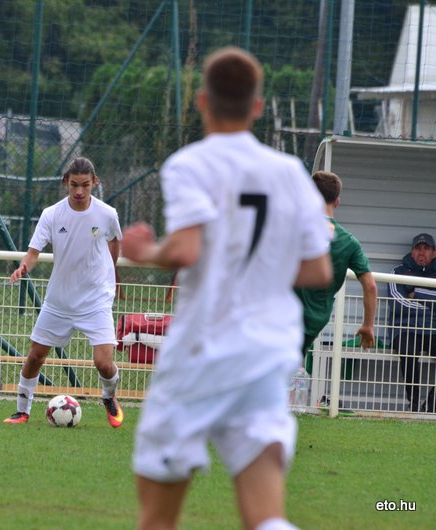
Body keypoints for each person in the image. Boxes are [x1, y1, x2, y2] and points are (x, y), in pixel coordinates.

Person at [121, 47, 332, 530]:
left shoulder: (190, 165)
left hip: (202, 349)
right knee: (265, 517)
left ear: (202, 101)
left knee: (157, 519)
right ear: (257, 106)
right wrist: (257, 265)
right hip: (264, 353)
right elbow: (318, 270)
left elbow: (186, 251)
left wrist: (146, 250)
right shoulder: (290, 174)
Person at [5, 156, 125, 428]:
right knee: (36, 355)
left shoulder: (107, 214)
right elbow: (34, 252)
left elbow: (115, 240)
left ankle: (109, 397)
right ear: (65, 184)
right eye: (74, 185)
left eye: (85, 185)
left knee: (104, 364)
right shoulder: (52, 214)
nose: (80, 191)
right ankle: (22, 410)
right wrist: (24, 267)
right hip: (59, 300)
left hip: (95, 300)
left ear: (95, 182)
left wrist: (110, 272)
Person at [295, 171, 377, 377]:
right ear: (337, 202)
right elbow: (370, 286)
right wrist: (368, 325)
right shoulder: (349, 242)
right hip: (314, 319)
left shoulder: (294, 226)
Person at [388, 232, 436, 412]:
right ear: (412, 251)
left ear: (434, 253)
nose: (422, 252)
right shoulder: (398, 272)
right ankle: (414, 404)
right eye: (418, 248)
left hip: (433, 329)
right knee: (407, 351)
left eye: (426, 248)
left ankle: (431, 404)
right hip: (406, 329)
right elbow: (398, 305)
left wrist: (417, 295)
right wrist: (432, 304)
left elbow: (408, 301)